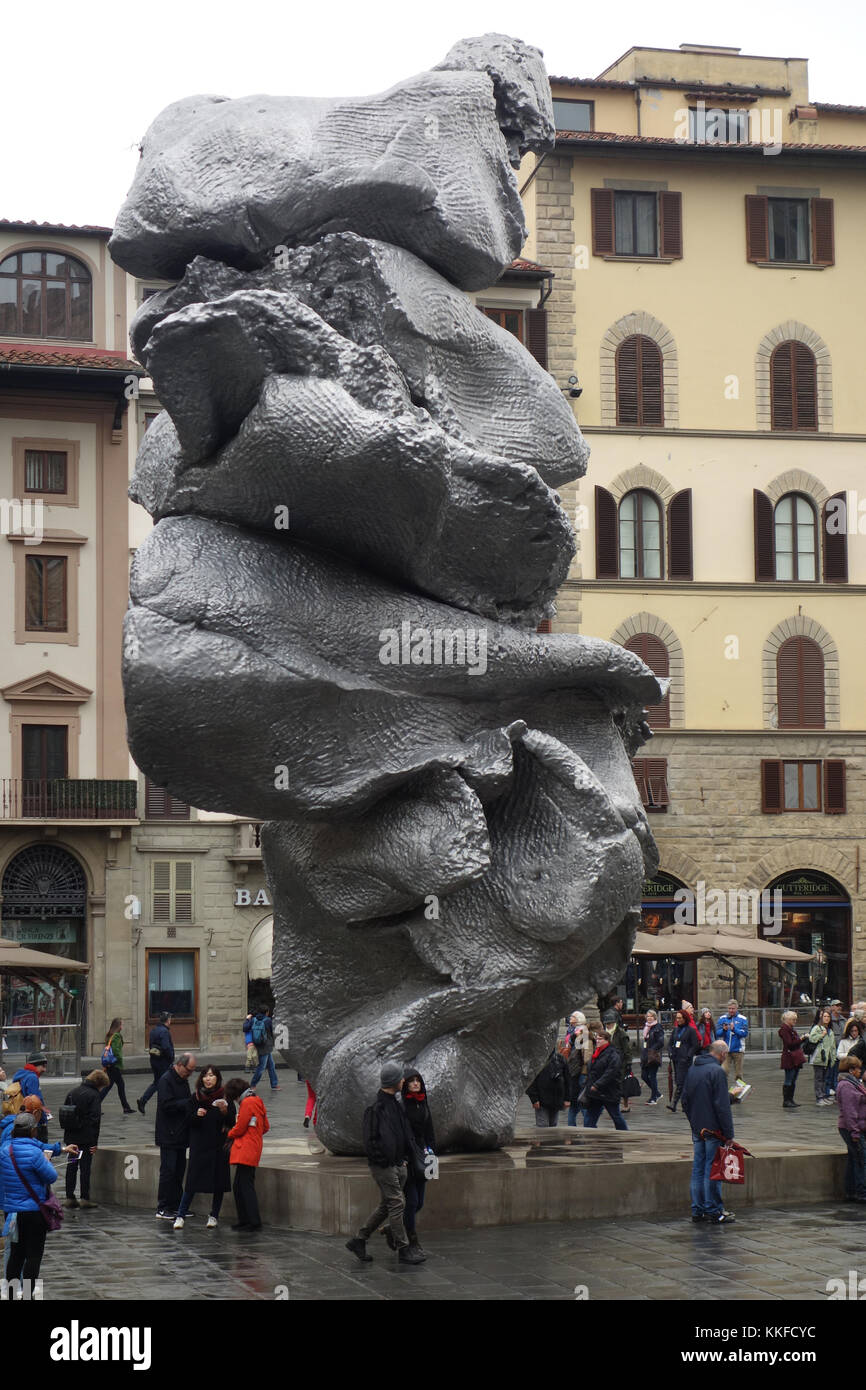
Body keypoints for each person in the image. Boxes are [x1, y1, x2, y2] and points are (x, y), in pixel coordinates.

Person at [345, 1061, 425, 1265]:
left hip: (396, 1164)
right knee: (398, 1203)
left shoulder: (394, 1105)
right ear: (393, 1082)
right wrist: (386, 1162)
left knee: (386, 1206)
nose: (403, 1081)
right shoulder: (377, 1109)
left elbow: (402, 1135)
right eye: (401, 1078)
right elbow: (371, 1142)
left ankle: (359, 1240)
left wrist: (403, 1160)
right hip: (384, 1166)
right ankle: (404, 1248)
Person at [0, 1111, 60, 1294]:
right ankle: (27, 1294)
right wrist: (46, 1161)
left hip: (13, 1212)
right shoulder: (35, 1153)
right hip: (35, 1211)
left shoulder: (4, 1151)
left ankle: (10, 1294)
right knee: (33, 1256)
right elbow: (52, 1176)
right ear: (32, 1131)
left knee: (16, 1255)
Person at [681, 1040, 736, 1224]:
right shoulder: (717, 1072)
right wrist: (728, 1134)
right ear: (723, 1054)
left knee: (698, 1168)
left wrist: (694, 1122)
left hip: (698, 1127)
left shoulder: (693, 1069)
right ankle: (713, 1210)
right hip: (714, 1128)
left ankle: (697, 1210)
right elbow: (721, 1106)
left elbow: (686, 1099)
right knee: (712, 1170)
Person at [174, 1066, 235, 1230]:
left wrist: (224, 1111)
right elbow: (188, 1121)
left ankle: (214, 1215)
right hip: (199, 1146)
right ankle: (180, 1215)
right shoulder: (195, 1097)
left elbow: (232, 1123)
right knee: (192, 1182)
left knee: (218, 1182)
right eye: (205, 1076)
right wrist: (197, 1116)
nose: (208, 1079)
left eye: (212, 1076)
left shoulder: (224, 1098)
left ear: (218, 1078)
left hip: (217, 1146)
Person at [224, 1076, 270, 1232]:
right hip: (253, 1147)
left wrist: (229, 1133)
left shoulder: (247, 1103)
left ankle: (252, 1221)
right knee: (240, 1185)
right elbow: (265, 1127)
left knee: (243, 1186)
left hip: (246, 1148)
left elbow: (240, 1127)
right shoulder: (256, 1100)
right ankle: (245, 1220)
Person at [154, 1052, 196, 1219]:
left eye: (192, 1071)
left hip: (180, 1133)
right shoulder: (166, 1080)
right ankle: (163, 1207)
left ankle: (178, 1205)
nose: (190, 1074)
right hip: (168, 1134)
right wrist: (188, 1102)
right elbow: (166, 1105)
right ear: (179, 1065)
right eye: (188, 1070)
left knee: (179, 1171)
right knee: (168, 1171)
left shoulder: (182, 1080)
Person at [61, 1068, 109, 1207]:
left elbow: (66, 1113)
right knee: (85, 1168)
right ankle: (85, 1198)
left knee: (72, 1166)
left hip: (72, 1138)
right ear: (99, 1084)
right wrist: (94, 1142)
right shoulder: (93, 1095)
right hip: (86, 1139)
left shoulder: (73, 1092)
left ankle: (70, 1197)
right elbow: (95, 1120)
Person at [400, 1069, 435, 1257]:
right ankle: (412, 1241)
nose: (415, 1083)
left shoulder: (424, 1103)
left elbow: (430, 1131)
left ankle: (394, 1228)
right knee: (412, 1201)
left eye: (418, 1081)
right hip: (410, 1157)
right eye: (412, 1081)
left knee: (420, 1202)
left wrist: (433, 1152)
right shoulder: (403, 1105)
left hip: (425, 1155)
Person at [582, 1021, 628, 1131]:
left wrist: (597, 1085)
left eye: (600, 1039)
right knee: (590, 1118)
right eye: (597, 1038)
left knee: (616, 1116)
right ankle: (590, 1134)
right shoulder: (597, 1053)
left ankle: (625, 1133)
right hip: (595, 1093)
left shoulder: (613, 1054)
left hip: (609, 1092)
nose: (597, 1041)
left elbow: (611, 1072)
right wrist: (587, 1084)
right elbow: (592, 1070)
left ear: (607, 1041)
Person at [836, 1055, 866, 1203]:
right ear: (851, 1070)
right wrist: (855, 1131)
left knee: (854, 1159)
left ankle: (851, 1191)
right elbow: (850, 1111)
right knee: (861, 1159)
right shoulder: (847, 1085)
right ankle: (861, 1192)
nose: (860, 1071)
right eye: (858, 1068)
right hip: (852, 1128)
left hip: (855, 1127)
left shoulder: (854, 1083)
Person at [137, 1012, 174, 1113]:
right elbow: (166, 1047)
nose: (171, 1021)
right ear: (168, 1020)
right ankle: (165, 1105)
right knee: (167, 1083)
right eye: (170, 1018)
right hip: (163, 1062)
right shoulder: (164, 1032)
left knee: (158, 1083)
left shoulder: (154, 1030)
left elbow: (151, 1046)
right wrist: (171, 1058)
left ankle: (143, 1101)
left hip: (154, 1061)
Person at [667, 1009, 700, 1112]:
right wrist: (670, 1052)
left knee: (680, 1082)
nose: (678, 1020)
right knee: (681, 1081)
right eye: (677, 1018)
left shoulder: (690, 1030)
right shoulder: (676, 1030)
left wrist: (688, 1055)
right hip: (676, 1059)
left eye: (680, 1018)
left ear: (685, 1019)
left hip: (685, 1060)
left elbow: (695, 1045)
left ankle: (674, 1103)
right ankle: (687, 1103)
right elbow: (670, 1043)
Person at [527, 1049, 570, 1127]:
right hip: (542, 1100)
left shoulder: (560, 1058)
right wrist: (534, 1099)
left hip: (556, 1099)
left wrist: (567, 1098)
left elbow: (568, 1079)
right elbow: (530, 1080)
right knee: (543, 1126)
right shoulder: (536, 1059)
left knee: (553, 1125)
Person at [100, 1017, 134, 1116]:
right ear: (118, 1026)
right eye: (121, 1025)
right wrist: (119, 1060)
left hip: (111, 1065)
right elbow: (116, 1051)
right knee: (108, 1086)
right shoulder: (116, 1036)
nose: (122, 1027)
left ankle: (126, 1107)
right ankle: (95, 1105)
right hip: (114, 1065)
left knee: (120, 1085)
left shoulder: (110, 1035)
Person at [565, 1011, 593, 1124]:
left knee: (580, 1100)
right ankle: (573, 1124)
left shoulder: (582, 1032)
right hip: (573, 1068)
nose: (570, 1018)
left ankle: (588, 1124)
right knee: (575, 1101)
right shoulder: (571, 1030)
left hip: (579, 1069)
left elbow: (582, 1053)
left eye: (573, 1016)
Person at [605, 1009, 634, 1113]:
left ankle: (625, 1104)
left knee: (622, 1085)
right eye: (606, 1024)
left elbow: (627, 1050)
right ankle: (612, 1104)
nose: (608, 1025)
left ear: (614, 1023)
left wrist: (628, 1063)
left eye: (609, 1023)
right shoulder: (606, 1034)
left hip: (621, 1063)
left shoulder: (621, 1033)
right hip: (609, 1062)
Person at [715, 1000, 749, 1085]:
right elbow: (717, 1033)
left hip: (738, 1049)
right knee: (723, 1071)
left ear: (737, 1008)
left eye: (733, 1009)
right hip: (725, 1050)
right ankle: (722, 1090)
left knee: (738, 1074)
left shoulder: (743, 1019)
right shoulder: (722, 1018)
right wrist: (724, 1030)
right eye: (729, 1008)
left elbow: (744, 1033)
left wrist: (734, 1029)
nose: (731, 1010)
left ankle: (740, 1092)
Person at [778, 1010, 806, 1109]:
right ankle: (786, 1100)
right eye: (793, 1019)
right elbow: (790, 1043)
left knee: (793, 1079)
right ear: (787, 1019)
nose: (795, 1021)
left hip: (794, 1057)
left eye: (795, 1019)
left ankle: (790, 1100)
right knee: (789, 1079)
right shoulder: (784, 1029)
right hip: (789, 1057)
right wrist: (801, 1039)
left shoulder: (790, 1029)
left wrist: (800, 1040)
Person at [809, 1009, 837, 1106]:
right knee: (819, 1078)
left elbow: (833, 1046)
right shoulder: (817, 1028)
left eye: (828, 1016)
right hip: (819, 1058)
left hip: (828, 1059)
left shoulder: (831, 1031)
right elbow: (812, 1039)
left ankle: (824, 1096)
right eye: (824, 1016)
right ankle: (819, 1097)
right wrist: (822, 1035)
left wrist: (833, 1058)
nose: (826, 1018)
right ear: (821, 1017)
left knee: (825, 1078)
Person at [248, 1008, 279, 1091]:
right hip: (266, 1046)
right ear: (267, 1012)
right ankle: (253, 1084)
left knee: (271, 1065)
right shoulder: (268, 1020)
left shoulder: (254, 1019)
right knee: (261, 1067)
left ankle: (274, 1084)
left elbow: (246, 1028)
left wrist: (248, 1019)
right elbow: (273, 1032)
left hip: (259, 1045)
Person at [640, 1009, 665, 1104]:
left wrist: (652, 1050)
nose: (649, 1018)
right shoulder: (647, 1027)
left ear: (655, 1017)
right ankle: (657, 1093)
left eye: (651, 1016)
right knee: (644, 1076)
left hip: (653, 1055)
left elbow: (660, 1042)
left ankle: (653, 1098)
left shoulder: (658, 1027)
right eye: (648, 1016)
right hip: (646, 1055)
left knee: (652, 1076)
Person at [826, 1001, 846, 1097]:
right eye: (837, 1005)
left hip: (842, 1051)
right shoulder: (828, 1020)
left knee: (839, 1073)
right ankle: (829, 1091)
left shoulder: (844, 1020)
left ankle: (837, 1091)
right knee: (830, 1072)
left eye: (840, 1006)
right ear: (832, 1007)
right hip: (832, 1051)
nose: (839, 1007)